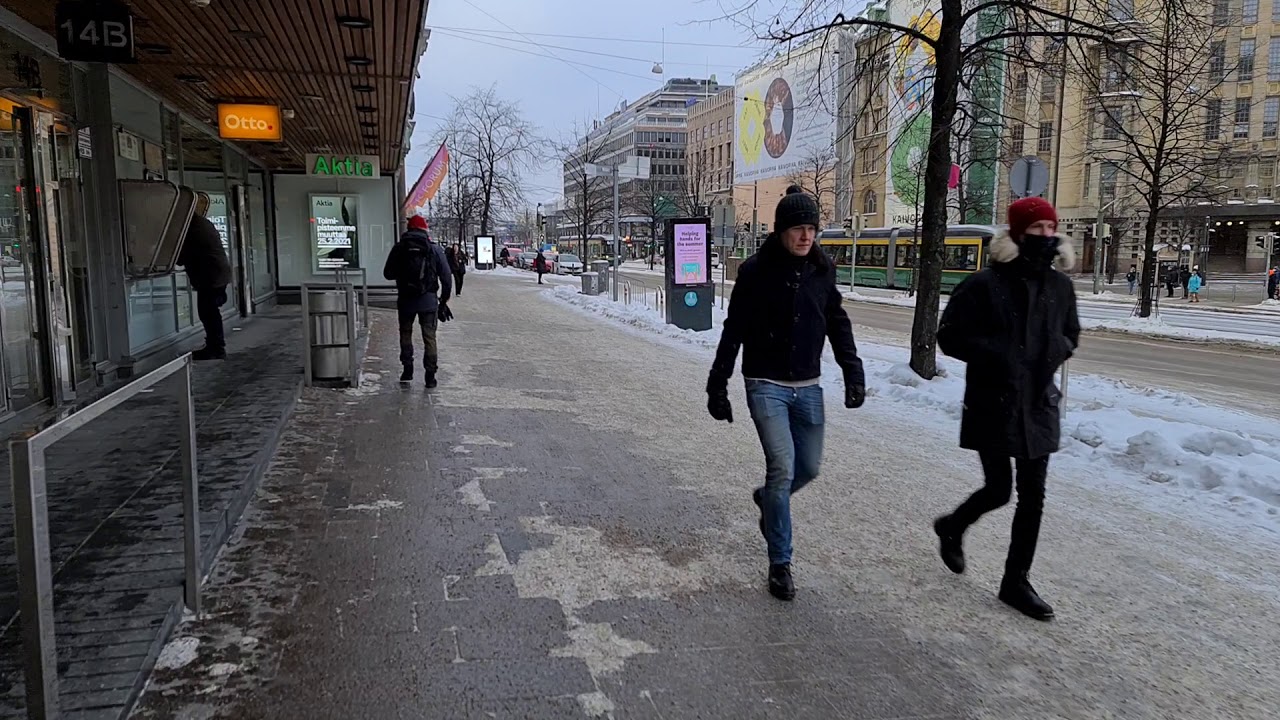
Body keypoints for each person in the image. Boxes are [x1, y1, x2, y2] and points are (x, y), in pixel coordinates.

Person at [706, 185, 865, 602]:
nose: (806, 236)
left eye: (811, 228)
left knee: (808, 468)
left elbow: (837, 321)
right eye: (798, 228)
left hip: (808, 386)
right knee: (782, 467)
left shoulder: (822, 269)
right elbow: (734, 329)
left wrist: (853, 371)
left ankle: (768, 502)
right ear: (781, 231)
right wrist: (717, 384)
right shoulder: (757, 271)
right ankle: (780, 563)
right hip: (765, 383)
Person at [932, 196, 1081, 622]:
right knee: (999, 489)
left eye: (1051, 229)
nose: (1046, 237)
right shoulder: (984, 284)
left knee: (1033, 496)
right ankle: (952, 526)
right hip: (994, 400)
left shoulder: (1061, 287)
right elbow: (950, 337)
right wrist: (998, 355)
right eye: (1037, 230)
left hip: (1038, 402)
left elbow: (1072, 334)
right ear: (1017, 233)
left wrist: (1056, 351)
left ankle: (1015, 581)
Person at [383, 215, 452, 388]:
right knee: (429, 337)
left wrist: (403, 274)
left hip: (406, 300)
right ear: (424, 228)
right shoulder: (433, 249)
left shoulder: (400, 248)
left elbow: (388, 273)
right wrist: (443, 301)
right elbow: (446, 278)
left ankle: (407, 369)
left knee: (405, 333)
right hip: (428, 301)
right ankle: (430, 376)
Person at [178, 194, 233, 361]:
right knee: (210, 311)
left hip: (210, 276)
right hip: (215, 274)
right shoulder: (200, 223)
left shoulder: (192, 227)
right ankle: (215, 346)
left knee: (208, 313)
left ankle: (216, 348)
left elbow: (183, 255)